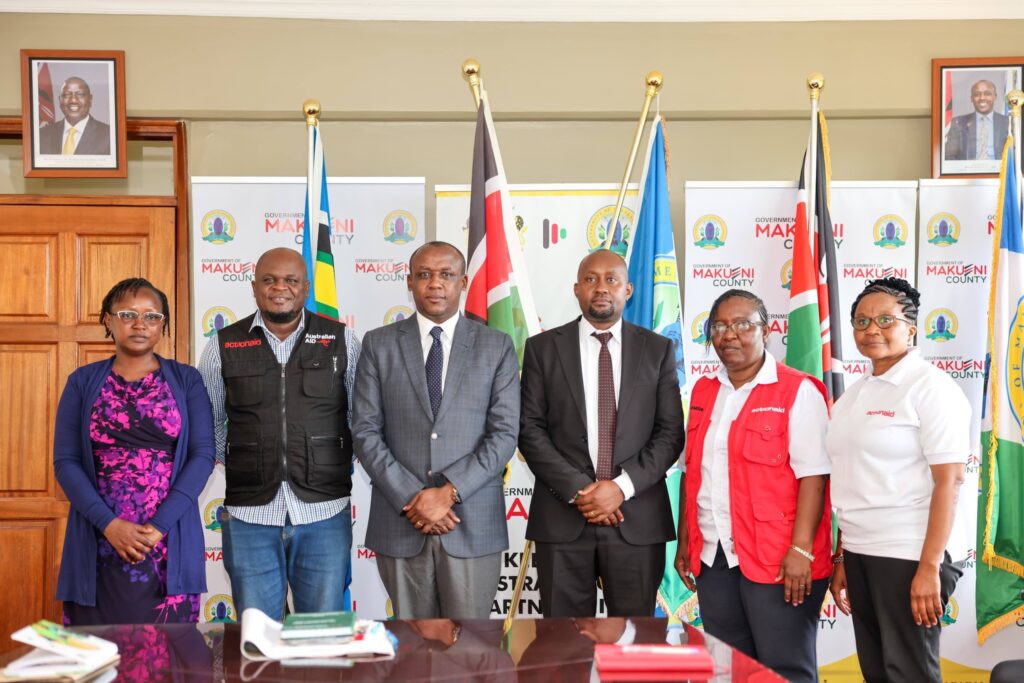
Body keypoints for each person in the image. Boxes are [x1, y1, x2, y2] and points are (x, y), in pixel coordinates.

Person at [352, 241, 519, 619]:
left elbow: (505, 433)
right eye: (424, 275)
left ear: (463, 282)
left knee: (470, 646)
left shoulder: (496, 346)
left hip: (472, 524)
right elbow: (365, 431)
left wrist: (448, 493)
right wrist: (415, 498)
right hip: (401, 523)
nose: (435, 283)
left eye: (446, 275)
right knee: (411, 646)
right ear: (409, 282)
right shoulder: (379, 344)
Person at [671, 289, 832, 683]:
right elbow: (694, 472)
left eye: (743, 324)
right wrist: (685, 540)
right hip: (715, 557)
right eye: (719, 326)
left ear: (767, 331)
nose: (729, 334)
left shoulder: (797, 390)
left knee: (783, 669)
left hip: (778, 559)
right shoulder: (704, 391)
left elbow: (814, 476)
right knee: (730, 669)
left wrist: (801, 550)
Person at [519, 249, 684, 618]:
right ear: (577, 289)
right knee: (565, 642)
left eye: (612, 280)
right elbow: (529, 430)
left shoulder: (658, 350)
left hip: (636, 519)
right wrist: (583, 491)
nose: (601, 288)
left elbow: (670, 433)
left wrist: (619, 488)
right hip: (563, 518)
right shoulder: (542, 348)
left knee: (633, 639)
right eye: (591, 279)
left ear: (628, 289)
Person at [197, 247, 360, 620]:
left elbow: (359, 417)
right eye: (269, 280)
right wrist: (247, 460)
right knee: (258, 634)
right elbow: (210, 422)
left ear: (306, 288)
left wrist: (329, 460)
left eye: (290, 280)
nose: (279, 288)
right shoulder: (223, 345)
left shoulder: (342, 340)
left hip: (324, 513)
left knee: (321, 632)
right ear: (254, 287)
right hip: (249, 516)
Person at [827, 277, 968, 683]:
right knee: (877, 672)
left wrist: (929, 567)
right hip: (861, 551)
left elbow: (950, 482)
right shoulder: (855, 395)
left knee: (909, 673)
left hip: (910, 552)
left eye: (886, 320)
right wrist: (842, 556)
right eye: (862, 321)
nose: (872, 329)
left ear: (912, 329)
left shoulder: (930, 387)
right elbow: (852, 478)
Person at [54, 278, 215, 625]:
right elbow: (66, 462)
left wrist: (158, 526)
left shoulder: (187, 380)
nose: (140, 324)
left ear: (163, 325)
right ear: (108, 320)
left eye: (152, 316)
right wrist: (109, 525)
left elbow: (202, 456)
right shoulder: (82, 382)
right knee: (97, 647)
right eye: (128, 314)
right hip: (98, 539)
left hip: (168, 540)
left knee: (169, 649)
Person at [39, 76, 112, 155]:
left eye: (80, 94)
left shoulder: (109, 135)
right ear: (60, 100)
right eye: (66, 95)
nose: (73, 100)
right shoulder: (42, 135)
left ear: (90, 100)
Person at [944, 79, 1009, 161]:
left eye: (987, 94)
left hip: (1000, 169)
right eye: (977, 94)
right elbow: (949, 156)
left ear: (995, 97)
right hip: (967, 169)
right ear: (971, 98)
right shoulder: (959, 123)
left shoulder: (1007, 123)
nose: (982, 98)